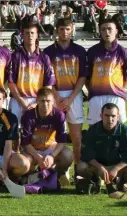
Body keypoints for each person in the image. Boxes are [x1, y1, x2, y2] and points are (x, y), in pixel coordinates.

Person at [43, 18, 87, 174]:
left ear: (72, 30)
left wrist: (71, 98)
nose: (64, 32)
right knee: (54, 137)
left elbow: (82, 77)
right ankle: (60, 171)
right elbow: (47, 78)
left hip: (73, 95)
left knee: (76, 137)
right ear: (57, 30)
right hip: (55, 96)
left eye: (67, 29)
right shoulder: (48, 52)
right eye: (61, 29)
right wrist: (56, 96)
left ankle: (78, 171)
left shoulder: (80, 51)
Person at [76, 103, 127, 197]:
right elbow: (86, 153)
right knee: (81, 166)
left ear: (118, 116)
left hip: (118, 167)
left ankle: (121, 182)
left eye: (113, 116)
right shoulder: (93, 130)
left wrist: (116, 168)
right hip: (98, 167)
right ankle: (95, 181)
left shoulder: (125, 131)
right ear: (101, 116)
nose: (110, 119)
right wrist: (99, 167)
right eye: (107, 115)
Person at [20, 87, 73, 187]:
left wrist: (52, 156)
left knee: (68, 155)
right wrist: (38, 157)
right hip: (32, 150)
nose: (45, 104)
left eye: (48, 101)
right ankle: (29, 176)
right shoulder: (28, 116)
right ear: (37, 101)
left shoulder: (59, 115)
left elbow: (62, 141)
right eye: (42, 101)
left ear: (53, 101)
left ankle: (57, 173)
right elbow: (25, 143)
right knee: (23, 163)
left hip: (50, 148)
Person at [86, 18, 127, 125]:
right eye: (103, 29)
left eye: (110, 29)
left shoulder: (123, 52)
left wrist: (117, 89)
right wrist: (93, 90)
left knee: (118, 131)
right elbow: (87, 77)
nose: (107, 32)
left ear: (116, 30)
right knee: (94, 130)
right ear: (100, 31)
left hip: (116, 96)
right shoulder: (92, 51)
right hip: (96, 96)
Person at [8, 23, 56, 124]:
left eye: (32, 33)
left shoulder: (44, 57)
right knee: (15, 134)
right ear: (22, 35)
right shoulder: (15, 56)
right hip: (18, 100)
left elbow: (49, 84)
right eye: (27, 33)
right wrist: (22, 102)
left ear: (37, 35)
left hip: (37, 100)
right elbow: (11, 82)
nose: (30, 35)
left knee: (36, 134)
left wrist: (37, 103)